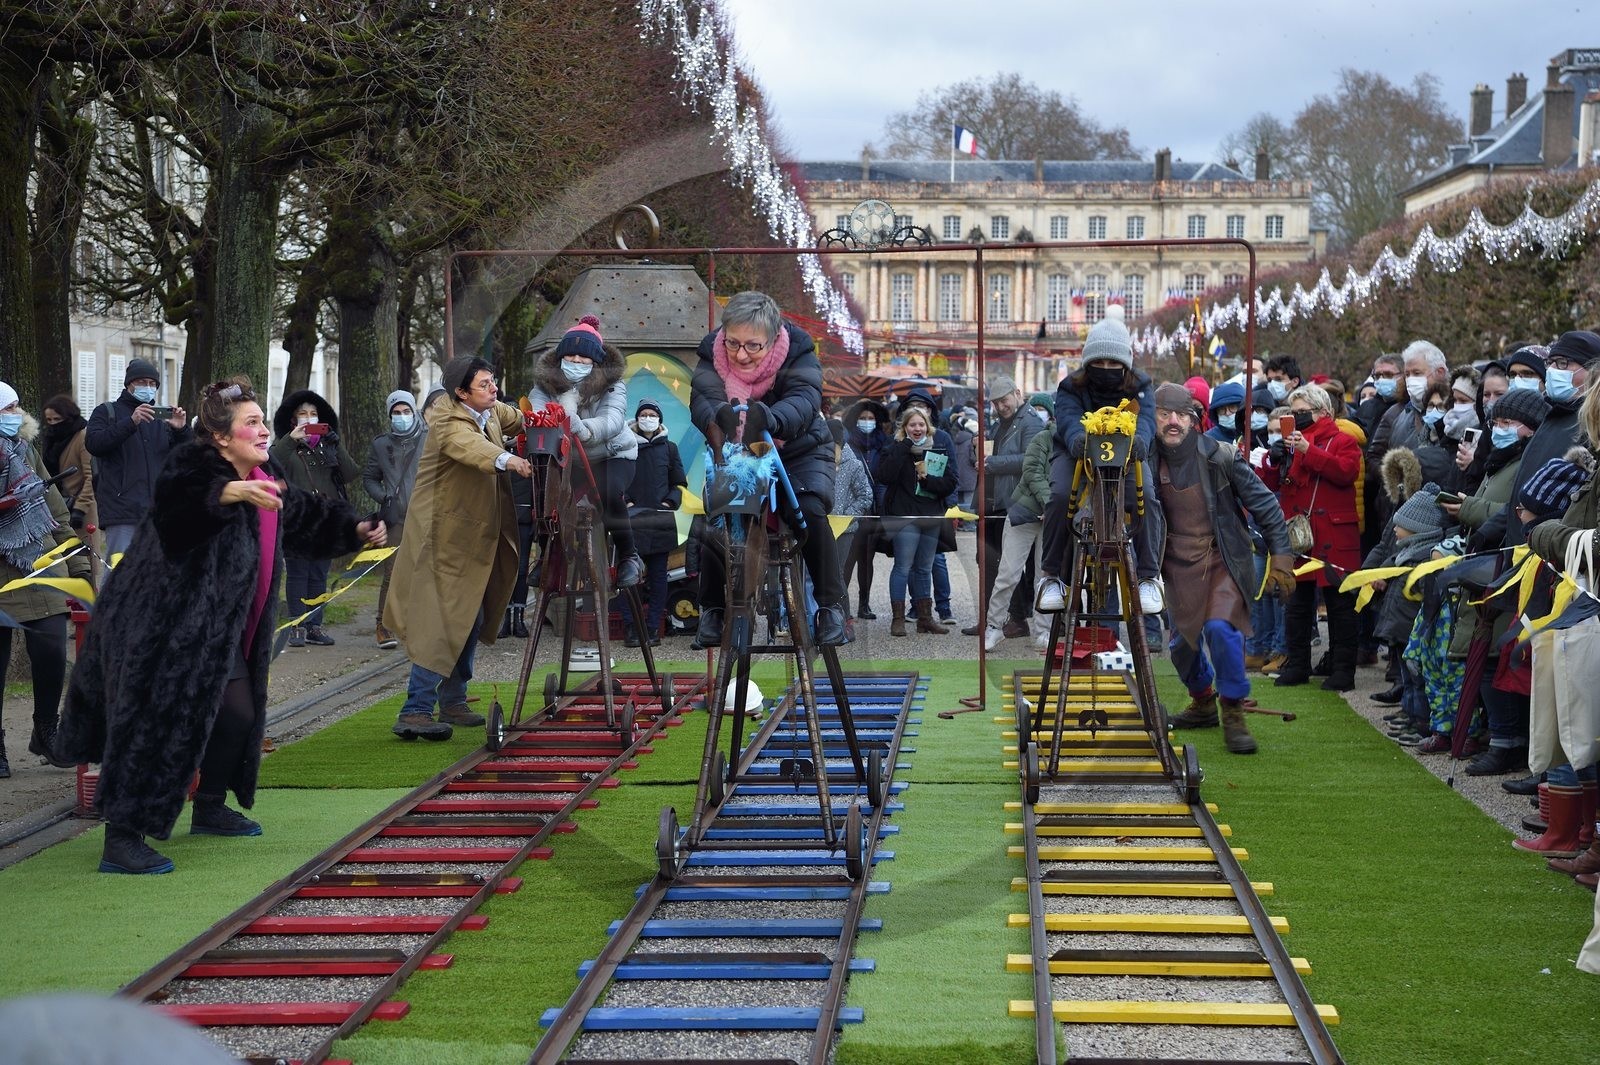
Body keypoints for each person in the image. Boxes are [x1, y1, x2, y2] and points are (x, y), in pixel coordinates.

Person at [55, 377, 384, 873]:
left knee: (237, 716)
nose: (261, 430)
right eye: (250, 423)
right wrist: (230, 491)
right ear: (221, 438)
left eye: (260, 420)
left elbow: (299, 513)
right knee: (154, 724)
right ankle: (121, 840)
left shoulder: (265, 473)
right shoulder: (192, 468)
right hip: (159, 627)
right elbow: (179, 508)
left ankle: (209, 805)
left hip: (219, 628)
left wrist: (354, 528)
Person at [689, 291, 848, 648]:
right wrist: (718, 415)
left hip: (799, 448)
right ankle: (713, 607)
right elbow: (700, 396)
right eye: (733, 343)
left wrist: (773, 419)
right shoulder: (710, 351)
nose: (740, 354)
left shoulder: (799, 350)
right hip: (737, 448)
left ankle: (830, 606)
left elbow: (805, 399)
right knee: (719, 512)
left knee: (808, 508)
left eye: (752, 346)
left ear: (773, 339)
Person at [386, 356, 530, 740]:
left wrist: (549, 414)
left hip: (474, 535)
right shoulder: (448, 420)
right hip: (442, 537)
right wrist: (507, 458)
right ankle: (415, 709)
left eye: (493, 381)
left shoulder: (488, 409)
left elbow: (517, 415)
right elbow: (470, 448)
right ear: (461, 392)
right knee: (441, 620)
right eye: (484, 384)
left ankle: (453, 698)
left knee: (471, 616)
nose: (493, 388)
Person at [1154, 383, 1295, 754]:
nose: (1173, 421)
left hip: (1222, 559)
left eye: (1181, 415)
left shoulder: (1221, 456)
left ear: (1194, 420)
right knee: (1182, 647)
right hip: (1175, 567)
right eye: (1164, 413)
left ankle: (1232, 708)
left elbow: (1266, 507)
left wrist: (1281, 555)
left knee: (1222, 630)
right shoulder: (1144, 463)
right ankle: (1203, 702)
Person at [1038, 306, 1163, 618]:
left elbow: (1145, 420)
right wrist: (1077, 438)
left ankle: (1149, 577)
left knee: (1146, 493)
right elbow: (1066, 418)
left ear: (1126, 364)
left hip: (1127, 451)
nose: (1106, 367)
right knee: (1059, 495)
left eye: (1113, 363)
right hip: (1077, 451)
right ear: (1087, 362)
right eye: (1099, 362)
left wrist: (1142, 442)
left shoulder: (1141, 385)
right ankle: (1051, 576)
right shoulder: (1070, 386)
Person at [0, 383, 89, 778]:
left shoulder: (27, 451)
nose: (16, 413)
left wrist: (78, 565)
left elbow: (55, 512)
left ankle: (46, 729)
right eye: (8, 407)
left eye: (18, 405)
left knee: (53, 653)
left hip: (40, 567)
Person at [528, 314, 644, 589]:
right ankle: (547, 557)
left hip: (612, 454)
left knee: (608, 489)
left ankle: (630, 556)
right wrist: (539, 423)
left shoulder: (612, 385)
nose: (576, 364)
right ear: (560, 359)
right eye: (571, 359)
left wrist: (582, 427)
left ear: (596, 363)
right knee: (545, 493)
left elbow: (613, 420)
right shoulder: (545, 385)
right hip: (570, 459)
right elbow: (535, 410)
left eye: (584, 360)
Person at [1274, 383, 1363, 691]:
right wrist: (1274, 460)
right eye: (1292, 412)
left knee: (1340, 605)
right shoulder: (1291, 443)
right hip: (1301, 534)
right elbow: (1281, 484)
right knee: (1296, 604)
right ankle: (1297, 664)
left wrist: (1307, 451)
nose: (1296, 418)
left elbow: (1345, 472)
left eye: (1302, 412)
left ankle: (1342, 669)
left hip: (1333, 535)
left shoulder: (1343, 440)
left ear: (1324, 412)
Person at [270, 390, 357, 648]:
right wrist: (290, 440)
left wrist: (335, 443)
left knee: (319, 575)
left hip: (326, 521)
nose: (308, 419)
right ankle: (296, 625)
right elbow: (270, 464)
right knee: (298, 574)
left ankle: (314, 626)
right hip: (298, 521)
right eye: (303, 415)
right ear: (292, 420)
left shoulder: (327, 447)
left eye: (313, 414)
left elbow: (351, 473)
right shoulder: (286, 445)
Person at [84, 357, 189, 563]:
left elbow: (186, 457)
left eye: (152, 384)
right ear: (128, 384)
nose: (147, 387)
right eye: (141, 382)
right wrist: (131, 422)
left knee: (158, 573)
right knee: (120, 571)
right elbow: (94, 444)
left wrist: (182, 430)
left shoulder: (162, 420)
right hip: (122, 510)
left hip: (160, 511)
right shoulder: (107, 411)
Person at [967, 375, 1043, 637]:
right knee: (988, 560)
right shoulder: (1004, 423)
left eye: (1004, 400)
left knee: (1008, 565)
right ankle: (992, 619)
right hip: (996, 501)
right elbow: (994, 455)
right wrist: (978, 454)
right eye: (996, 403)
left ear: (1017, 393)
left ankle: (1016, 619)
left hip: (1014, 503)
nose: (1000, 406)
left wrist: (991, 462)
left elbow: (1030, 460)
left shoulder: (1031, 421)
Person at [877, 405, 957, 636]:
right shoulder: (895, 448)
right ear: (905, 427)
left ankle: (925, 618)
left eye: (921, 424)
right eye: (912, 424)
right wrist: (903, 449)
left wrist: (928, 480)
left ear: (927, 427)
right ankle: (898, 619)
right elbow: (884, 476)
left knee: (924, 567)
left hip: (930, 515)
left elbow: (950, 483)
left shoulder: (938, 450)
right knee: (903, 566)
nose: (917, 428)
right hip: (904, 516)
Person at [361, 390, 423, 649]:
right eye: (396, 413)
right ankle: (384, 625)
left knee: (424, 571)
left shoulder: (429, 438)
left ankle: (418, 624)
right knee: (393, 573)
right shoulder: (381, 444)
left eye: (406, 411)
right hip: (396, 518)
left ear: (414, 411)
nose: (401, 417)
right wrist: (384, 497)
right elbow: (369, 478)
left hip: (425, 517)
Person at [984, 419, 1052, 652]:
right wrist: (1050, 504)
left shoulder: (1081, 445)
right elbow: (1032, 472)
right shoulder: (1042, 438)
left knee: (1045, 576)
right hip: (1026, 510)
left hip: (1055, 516)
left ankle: (1043, 632)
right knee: (1008, 572)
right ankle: (994, 626)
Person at [624, 399, 685, 647]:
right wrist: (626, 502)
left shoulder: (670, 448)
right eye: (643, 414)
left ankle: (652, 628)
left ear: (659, 419)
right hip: (633, 523)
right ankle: (631, 627)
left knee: (659, 578)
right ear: (636, 418)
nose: (647, 418)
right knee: (629, 578)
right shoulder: (626, 445)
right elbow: (616, 479)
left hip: (661, 521)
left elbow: (678, 483)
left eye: (652, 414)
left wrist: (670, 503)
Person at [843, 398, 892, 619]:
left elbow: (883, 480)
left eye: (871, 418)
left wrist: (880, 510)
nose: (866, 422)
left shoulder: (884, 445)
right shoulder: (849, 444)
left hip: (872, 511)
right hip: (852, 510)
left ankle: (864, 604)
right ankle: (842, 606)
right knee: (847, 560)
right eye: (862, 418)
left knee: (866, 559)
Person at [39, 395, 95, 535]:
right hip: (57, 506)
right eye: (49, 420)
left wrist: (80, 508)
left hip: (81, 508)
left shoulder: (83, 436)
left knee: (84, 553)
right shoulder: (51, 439)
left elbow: (91, 476)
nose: (53, 424)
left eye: (57, 419)